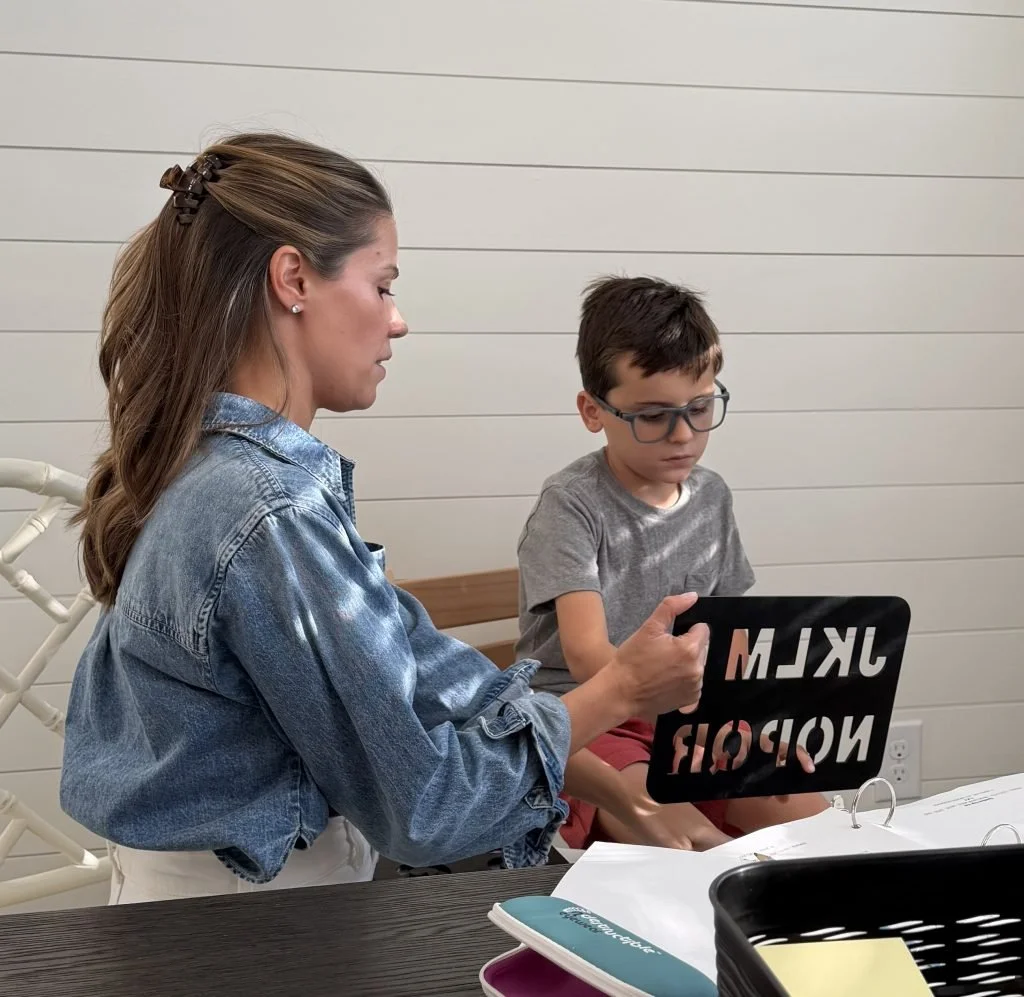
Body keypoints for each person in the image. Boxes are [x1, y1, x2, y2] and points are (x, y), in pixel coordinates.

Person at [58, 134, 709, 904]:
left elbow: (432, 675)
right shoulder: (270, 511)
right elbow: (423, 806)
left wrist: (621, 786)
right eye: (382, 285)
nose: (398, 322)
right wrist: (622, 690)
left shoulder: (219, 474)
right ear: (294, 279)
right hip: (252, 929)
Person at [516, 275, 828, 853]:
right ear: (593, 410)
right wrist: (678, 714)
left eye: (700, 407)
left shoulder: (712, 496)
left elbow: (733, 636)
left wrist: (745, 722)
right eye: (653, 415)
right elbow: (586, 656)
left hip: (688, 714)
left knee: (816, 823)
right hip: (590, 717)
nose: (682, 435)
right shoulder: (571, 504)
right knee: (689, 842)